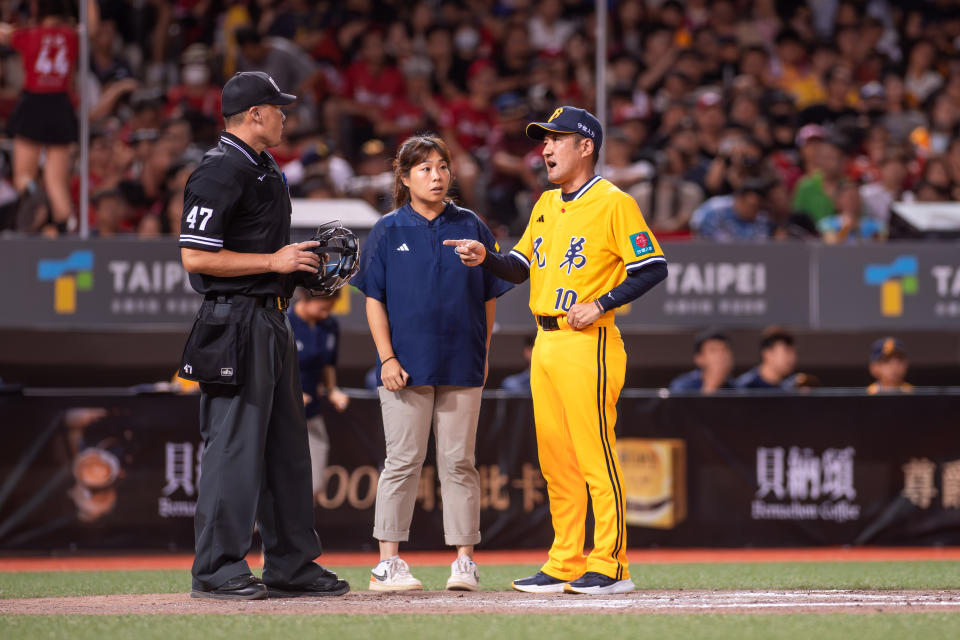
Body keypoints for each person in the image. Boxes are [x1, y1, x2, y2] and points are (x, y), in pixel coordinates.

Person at [447, 106, 668, 595]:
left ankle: (610, 565)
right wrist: (488, 258)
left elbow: (652, 266)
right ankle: (566, 560)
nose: (544, 148)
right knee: (557, 461)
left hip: (590, 341)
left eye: (556, 139)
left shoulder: (614, 202)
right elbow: (520, 265)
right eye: (543, 140)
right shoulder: (546, 202)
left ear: (585, 146)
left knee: (596, 456)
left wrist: (603, 303)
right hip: (545, 343)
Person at [178, 71, 349, 601]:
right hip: (236, 322)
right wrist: (272, 260)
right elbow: (196, 256)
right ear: (254, 114)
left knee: (286, 451)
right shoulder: (220, 168)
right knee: (234, 448)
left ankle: (292, 564)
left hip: (273, 318)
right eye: (278, 108)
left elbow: (258, 252)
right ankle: (216, 568)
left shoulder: (263, 166)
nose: (284, 116)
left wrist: (294, 264)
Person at [353, 134, 512, 592]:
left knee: (460, 463)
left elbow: (488, 296)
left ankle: (464, 561)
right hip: (404, 365)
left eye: (442, 166)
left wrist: (483, 356)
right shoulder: (387, 229)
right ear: (404, 178)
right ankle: (388, 564)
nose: (437, 175)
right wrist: (386, 357)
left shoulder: (472, 225)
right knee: (402, 461)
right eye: (424, 168)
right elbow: (373, 300)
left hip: (462, 362)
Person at [0, 0, 98, 233]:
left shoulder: (28, 34)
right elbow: (92, 28)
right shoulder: (71, 35)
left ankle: (36, 198)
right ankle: (65, 224)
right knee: (57, 182)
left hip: (34, 102)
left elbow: (3, 33)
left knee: (23, 177)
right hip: (60, 106)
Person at [288, 287, 349, 500]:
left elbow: (328, 364)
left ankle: (303, 527)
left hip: (311, 411)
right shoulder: (284, 321)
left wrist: (333, 390)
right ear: (305, 299)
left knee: (315, 480)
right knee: (277, 472)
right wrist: (290, 393)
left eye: (330, 309)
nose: (326, 314)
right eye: (323, 308)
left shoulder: (330, 325)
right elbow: (271, 366)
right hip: (282, 410)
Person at [668, 329, 735, 393]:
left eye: (724, 349)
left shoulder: (736, 387)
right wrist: (713, 383)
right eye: (713, 350)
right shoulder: (683, 386)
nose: (721, 355)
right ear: (699, 358)